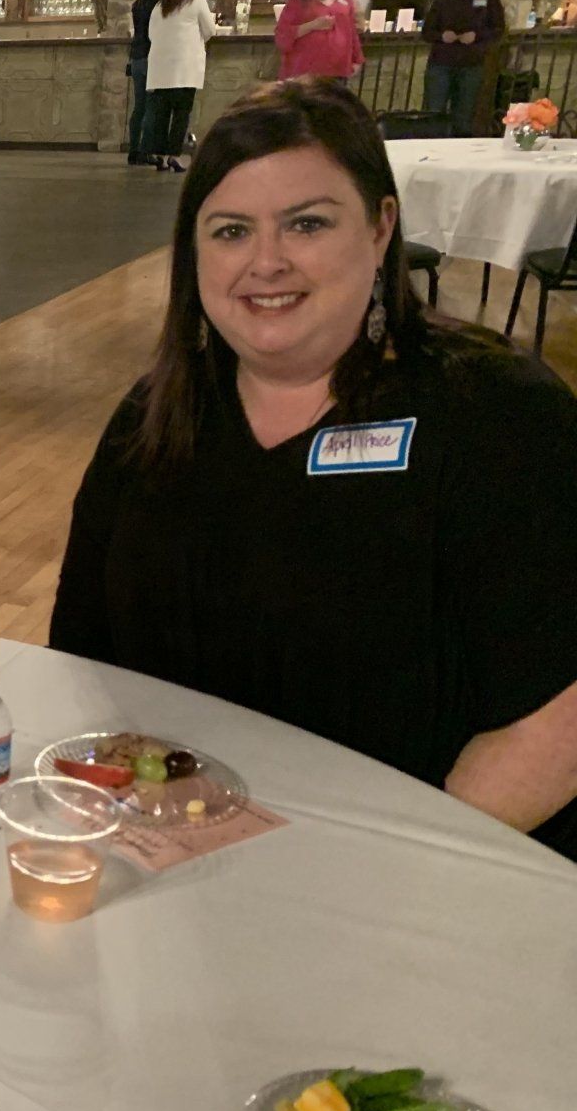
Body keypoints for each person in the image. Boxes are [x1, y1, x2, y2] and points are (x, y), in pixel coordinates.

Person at [50, 78, 577, 859]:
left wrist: (382, 871)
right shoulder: (157, 417)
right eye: (230, 231)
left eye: (306, 224)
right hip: (179, 854)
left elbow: (558, 719)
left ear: (380, 228)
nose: (266, 262)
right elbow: (84, 657)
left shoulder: (494, 415)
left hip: (427, 878)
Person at [422, 0, 507, 137]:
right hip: (441, 64)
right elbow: (427, 31)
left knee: (464, 117)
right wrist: (442, 36)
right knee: (433, 113)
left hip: (471, 64)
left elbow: (498, 29)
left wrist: (476, 36)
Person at [144, 0, 216, 174]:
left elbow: (151, 35)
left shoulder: (161, 5)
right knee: (181, 114)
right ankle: (174, 156)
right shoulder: (197, 1)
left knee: (161, 114)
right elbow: (210, 30)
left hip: (160, 68)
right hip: (185, 68)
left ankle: (159, 156)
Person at [275, 0, 364, 84]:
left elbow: (351, 33)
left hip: (337, 72)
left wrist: (357, 59)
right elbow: (282, 34)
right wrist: (313, 25)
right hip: (304, 73)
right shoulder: (300, 1)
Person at [127, 0, 166, 167]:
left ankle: (133, 150)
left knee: (139, 106)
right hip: (154, 57)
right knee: (153, 106)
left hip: (137, 57)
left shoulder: (137, 5)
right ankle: (145, 150)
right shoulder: (161, 6)